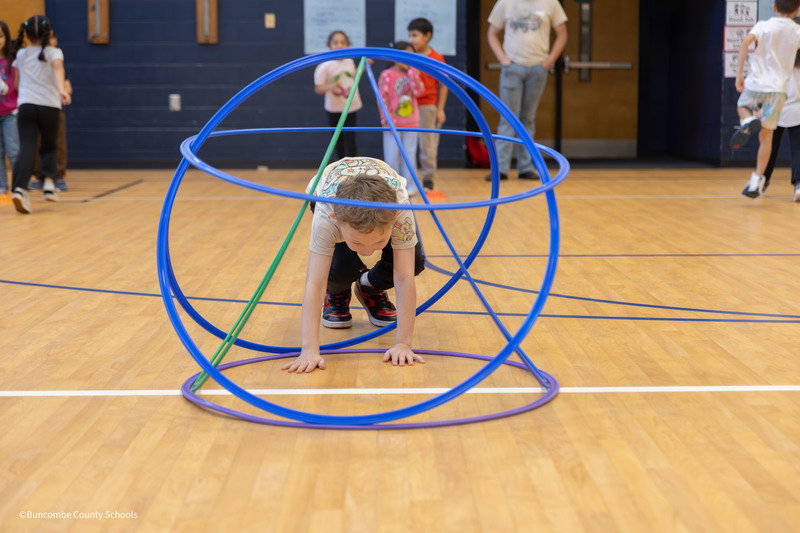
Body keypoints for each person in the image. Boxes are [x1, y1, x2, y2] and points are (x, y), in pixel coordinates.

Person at [282, 157, 426, 373]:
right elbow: (315, 282)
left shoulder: (400, 210)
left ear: (395, 216)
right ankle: (337, 293)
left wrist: (403, 344)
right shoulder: (326, 215)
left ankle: (369, 285)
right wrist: (309, 349)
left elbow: (404, 277)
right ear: (335, 220)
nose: (368, 252)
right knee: (339, 269)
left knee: (414, 262)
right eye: (357, 243)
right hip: (328, 193)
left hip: (382, 202)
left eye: (378, 242)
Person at [486, 0, 567, 181]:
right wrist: (504, 60)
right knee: (507, 118)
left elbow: (562, 34)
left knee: (528, 118)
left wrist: (548, 63)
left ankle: (525, 167)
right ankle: (500, 169)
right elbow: (492, 33)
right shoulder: (505, 3)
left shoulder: (551, 3)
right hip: (512, 67)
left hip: (538, 68)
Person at [731, 0, 800, 198]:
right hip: (778, 92)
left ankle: (747, 119)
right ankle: (756, 181)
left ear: (773, 7)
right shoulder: (796, 31)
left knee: (742, 106)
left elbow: (745, 43)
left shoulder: (762, 25)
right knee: (766, 138)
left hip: (757, 84)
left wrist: (739, 75)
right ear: (797, 10)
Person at [8, 15, 71, 214]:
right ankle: (49, 183)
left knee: (27, 147)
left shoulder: (21, 54)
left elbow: (17, 83)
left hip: (26, 105)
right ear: (49, 33)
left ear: (26, 34)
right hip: (49, 105)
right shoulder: (54, 52)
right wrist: (61, 89)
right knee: (50, 145)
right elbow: (58, 67)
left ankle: (19, 189)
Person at [407, 17, 448, 195]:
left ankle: (428, 179)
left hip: (427, 106)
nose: (411, 39)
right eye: (409, 35)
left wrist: (440, 108)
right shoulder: (408, 55)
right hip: (409, 106)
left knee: (427, 144)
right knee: (409, 143)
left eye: (415, 35)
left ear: (427, 36)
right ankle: (407, 180)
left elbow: (444, 84)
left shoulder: (436, 58)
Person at [378, 41, 424, 195]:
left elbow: (418, 91)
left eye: (411, 56)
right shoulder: (387, 75)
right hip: (392, 123)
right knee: (391, 156)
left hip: (411, 122)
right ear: (395, 57)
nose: (407, 60)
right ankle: (392, 188)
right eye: (404, 56)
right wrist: (387, 120)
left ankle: (411, 187)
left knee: (409, 155)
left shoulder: (413, 73)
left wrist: (411, 71)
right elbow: (382, 99)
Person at [30, 30, 71, 192]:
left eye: (53, 37)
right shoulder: (33, 61)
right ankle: (39, 175)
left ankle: (58, 175)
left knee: (58, 143)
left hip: (54, 108)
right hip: (36, 107)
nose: (51, 41)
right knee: (36, 143)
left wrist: (65, 91)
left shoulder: (57, 62)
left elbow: (67, 85)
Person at [313, 30, 363, 161]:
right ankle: (341, 165)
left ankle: (353, 168)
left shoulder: (349, 60)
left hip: (350, 106)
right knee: (337, 140)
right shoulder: (325, 66)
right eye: (335, 42)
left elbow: (353, 75)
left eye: (343, 42)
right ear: (329, 46)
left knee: (350, 139)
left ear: (347, 45)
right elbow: (318, 88)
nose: (339, 45)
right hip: (334, 108)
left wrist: (363, 67)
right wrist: (330, 87)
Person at [761, 49, 800, 202]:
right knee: (797, 148)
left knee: (769, 145)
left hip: (777, 107)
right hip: (793, 108)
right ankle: (798, 184)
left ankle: (761, 182)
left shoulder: (777, 58)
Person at [0, 20, 19, 195]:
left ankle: (19, 185)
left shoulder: (11, 61)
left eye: (0, 36)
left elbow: (16, 85)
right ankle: (2, 185)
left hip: (10, 113)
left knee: (13, 150)